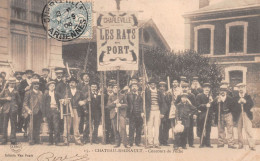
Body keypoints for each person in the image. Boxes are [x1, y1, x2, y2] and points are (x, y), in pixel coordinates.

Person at [61, 77, 85, 146]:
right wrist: (63, 101)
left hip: (77, 110)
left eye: (73, 82)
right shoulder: (66, 91)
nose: (71, 84)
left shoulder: (80, 92)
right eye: (70, 82)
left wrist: (83, 101)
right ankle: (66, 140)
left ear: (76, 84)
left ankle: (77, 140)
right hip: (68, 110)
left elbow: (85, 99)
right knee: (67, 125)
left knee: (76, 126)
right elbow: (62, 100)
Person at [106, 81, 129, 148]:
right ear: (112, 89)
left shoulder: (122, 96)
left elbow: (126, 105)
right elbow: (108, 106)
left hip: (121, 114)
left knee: (123, 127)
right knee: (115, 129)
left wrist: (120, 105)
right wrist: (114, 102)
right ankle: (117, 142)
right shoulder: (110, 96)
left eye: (117, 87)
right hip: (114, 114)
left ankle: (125, 143)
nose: (116, 89)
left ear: (119, 88)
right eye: (114, 88)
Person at [212, 85, 236, 149]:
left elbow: (233, 107)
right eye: (221, 91)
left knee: (230, 129)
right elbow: (213, 107)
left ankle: (231, 144)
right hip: (220, 115)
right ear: (219, 92)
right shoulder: (217, 99)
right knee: (220, 129)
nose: (223, 92)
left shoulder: (230, 98)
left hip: (228, 114)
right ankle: (221, 143)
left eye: (224, 91)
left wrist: (232, 116)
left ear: (226, 92)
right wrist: (217, 102)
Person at [145, 78, 167, 149]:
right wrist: (143, 112)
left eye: (154, 84)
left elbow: (163, 103)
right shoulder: (146, 92)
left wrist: (162, 113)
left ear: (155, 85)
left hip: (157, 111)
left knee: (157, 127)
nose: (153, 85)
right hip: (150, 111)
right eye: (151, 84)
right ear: (149, 85)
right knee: (149, 127)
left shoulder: (159, 92)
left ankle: (156, 143)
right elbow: (144, 103)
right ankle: (150, 143)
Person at [233, 83, 255, 151]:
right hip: (239, 115)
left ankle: (251, 145)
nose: (240, 89)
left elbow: (251, 104)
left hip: (246, 114)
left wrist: (245, 101)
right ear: (238, 89)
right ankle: (240, 144)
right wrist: (238, 102)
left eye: (242, 87)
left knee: (248, 129)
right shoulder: (236, 97)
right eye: (239, 88)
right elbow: (233, 106)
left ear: (244, 88)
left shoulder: (248, 96)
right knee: (239, 130)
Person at [0, 77, 21, 145]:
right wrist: (6, 98)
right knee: (4, 125)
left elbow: (19, 101)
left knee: (13, 125)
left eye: (13, 83)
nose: (12, 84)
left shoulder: (16, 92)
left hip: (13, 110)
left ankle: (13, 139)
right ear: (8, 83)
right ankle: (4, 139)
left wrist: (16, 107)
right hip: (5, 110)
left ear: (15, 84)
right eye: (11, 83)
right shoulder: (5, 90)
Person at [23, 78, 43, 145]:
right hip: (31, 112)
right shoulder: (28, 93)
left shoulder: (41, 93)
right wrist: (28, 110)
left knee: (38, 126)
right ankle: (31, 139)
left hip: (39, 112)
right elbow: (25, 104)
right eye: (35, 84)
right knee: (31, 126)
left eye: (37, 84)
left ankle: (37, 139)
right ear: (32, 85)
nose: (36, 85)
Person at [175, 82, 196, 147]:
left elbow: (194, 106)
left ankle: (191, 143)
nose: (184, 89)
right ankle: (180, 143)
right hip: (181, 116)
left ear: (188, 88)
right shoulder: (179, 96)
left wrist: (192, 114)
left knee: (190, 129)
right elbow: (177, 105)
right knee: (181, 130)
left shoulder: (191, 95)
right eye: (183, 87)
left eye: (186, 87)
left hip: (189, 115)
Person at [42, 81, 61, 146]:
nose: (52, 87)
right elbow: (43, 105)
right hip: (48, 111)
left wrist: (59, 109)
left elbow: (61, 101)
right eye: (51, 86)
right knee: (50, 126)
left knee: (56, 126)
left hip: (55, 111)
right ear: (48, 87)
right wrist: (44, 115)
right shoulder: (46, 94)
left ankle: (57, 141)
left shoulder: (57, 94)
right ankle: (50, 141)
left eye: (53, 86)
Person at [126, 79, 144, 147]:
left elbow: (142, 104)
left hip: (139, 114)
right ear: (130, 87)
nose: (134, 87)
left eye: (135, 86)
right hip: (132, 114)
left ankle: (138, 142)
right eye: (133, 86)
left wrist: (142, 112)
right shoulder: (128, 94)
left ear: (138, 87)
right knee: (131, 128)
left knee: (139, 128)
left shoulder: (141, 94)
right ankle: (130, 142)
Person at [196, 83, 214, 148]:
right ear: (203, 88)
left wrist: (212, 102)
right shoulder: (199, 96)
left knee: (208, 130)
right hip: (201, 115)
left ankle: (208, 143)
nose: (207, 89)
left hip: (208, 116)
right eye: (205, 88)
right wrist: (205, 105)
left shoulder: (211, 96)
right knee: (201, 129)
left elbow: (213, 107)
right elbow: (198, 105)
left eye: (208, 88)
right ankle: (201, 143)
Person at [18, 69, 34, 137]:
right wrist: (25, 89)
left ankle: (31, 132)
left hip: (33, 101)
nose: (29, 75)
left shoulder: (34, 82)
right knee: (25, 116)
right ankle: (25, 131)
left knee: (32, 116)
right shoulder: (23, 82)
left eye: (30, 73)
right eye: (28, 73)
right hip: (25, 101)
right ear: (26, 74)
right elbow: (19, 91)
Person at [158, 81, 171, 146]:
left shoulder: (168, 94)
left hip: (167, 113)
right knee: (159, 127)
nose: (162, 88)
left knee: (166, 127)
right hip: (159, 112)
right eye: (161, 86)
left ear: (165, 88)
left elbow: (170, 103)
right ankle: (160, 140)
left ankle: (165, 141)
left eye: (163, 86)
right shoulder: (157, 94)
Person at [104, 80, 115, 144]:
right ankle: (107, 139)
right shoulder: (104, 95)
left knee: (113, 125)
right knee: (107, 126)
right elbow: (101, 104)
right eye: (109, 87)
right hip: (106, 112)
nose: (110, 89)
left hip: (113, 112)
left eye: (112, 87)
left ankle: (112, 139)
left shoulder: (115, 95)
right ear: (107, 88)